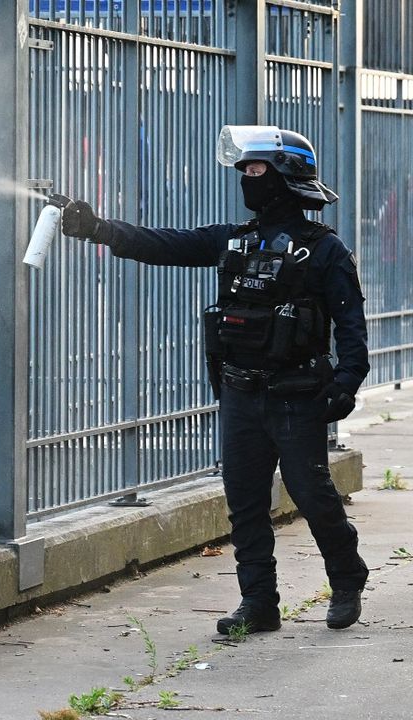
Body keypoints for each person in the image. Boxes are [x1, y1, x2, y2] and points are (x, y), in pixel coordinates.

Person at [60, 125, 369, 634]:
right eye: (243, 170)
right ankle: (259, 603)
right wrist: (99, 229)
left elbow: (350, 322)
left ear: (285, 174)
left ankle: (346, 576)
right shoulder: (235, 240)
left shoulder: (324, 249)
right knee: (244, 501)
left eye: (255, 169)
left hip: (295, 395)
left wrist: (347, 380)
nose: (246, 179)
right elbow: (166, 244)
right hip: (240, 392)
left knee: (311, 494)